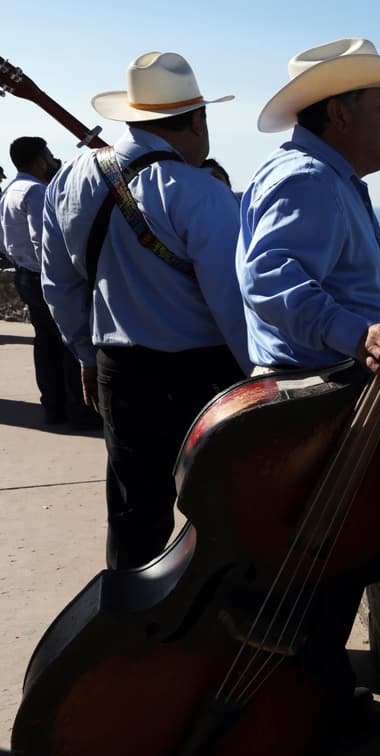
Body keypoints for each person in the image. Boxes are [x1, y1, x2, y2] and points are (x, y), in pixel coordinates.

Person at [41, 51, 250, 571]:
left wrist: (86, 355)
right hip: (205, 373)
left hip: (119, 367)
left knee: (135, 512)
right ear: (197, 120)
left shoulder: (70, 179)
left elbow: (59, 282)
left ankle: (131, 632)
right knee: (223, 507)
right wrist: (259, 379)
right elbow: (234, 304)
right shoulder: (201, 192)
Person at [238, 38, 380, 374]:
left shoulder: (318, 176)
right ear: (339, 114)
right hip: (323, 390)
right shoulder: (310, 179)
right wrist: (360, 336)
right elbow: (267, 280)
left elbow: (346, 287)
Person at [1, 136, 98, 428]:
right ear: (40, 159)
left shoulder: (10, 191)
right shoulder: (37, 191)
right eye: (49, 155)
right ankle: (78, 411)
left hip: (23, 274)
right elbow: (42, 239)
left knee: (45, 345)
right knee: (69, 345)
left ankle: (53, 407)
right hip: (42, 275)